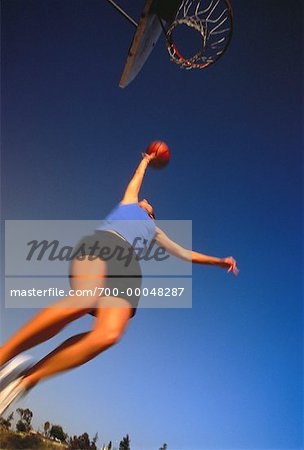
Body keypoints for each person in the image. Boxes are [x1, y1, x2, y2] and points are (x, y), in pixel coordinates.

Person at [0, 152, 238, 415]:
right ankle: (3, 355)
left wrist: (218, 261)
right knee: (86, 298)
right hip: (104, 244)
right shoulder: (128, 204)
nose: (145, 200)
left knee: (109, 334)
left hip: (128, 270)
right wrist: (146, 160)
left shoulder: (155, 231)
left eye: (149, 204)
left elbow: (184, 253)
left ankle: (23, 381)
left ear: (151, 215)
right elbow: (136, 180)